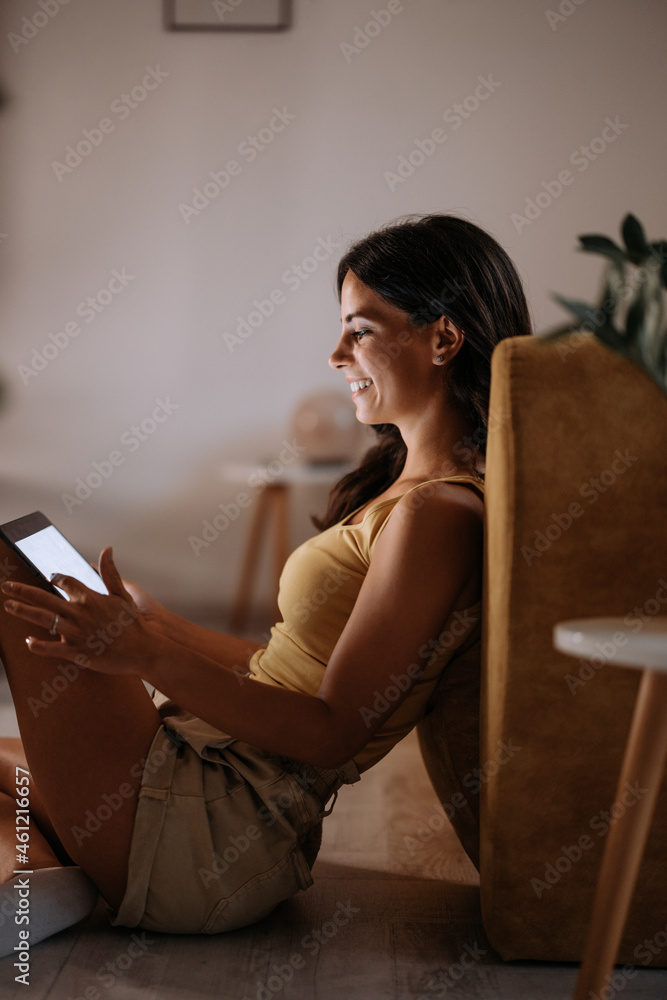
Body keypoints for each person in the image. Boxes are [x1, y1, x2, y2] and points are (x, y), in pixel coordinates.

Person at [0, 213, 532, 953]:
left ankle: (51, 879)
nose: (335, 354)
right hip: (209, 788)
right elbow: (282, 668)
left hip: (215, 828)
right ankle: (36, 885)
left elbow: (329, 731)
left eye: (361, 330)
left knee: (6, 569)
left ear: (443, 339)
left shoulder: (436, 514)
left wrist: (150, 659)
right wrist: (156, 627)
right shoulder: (402, 491)